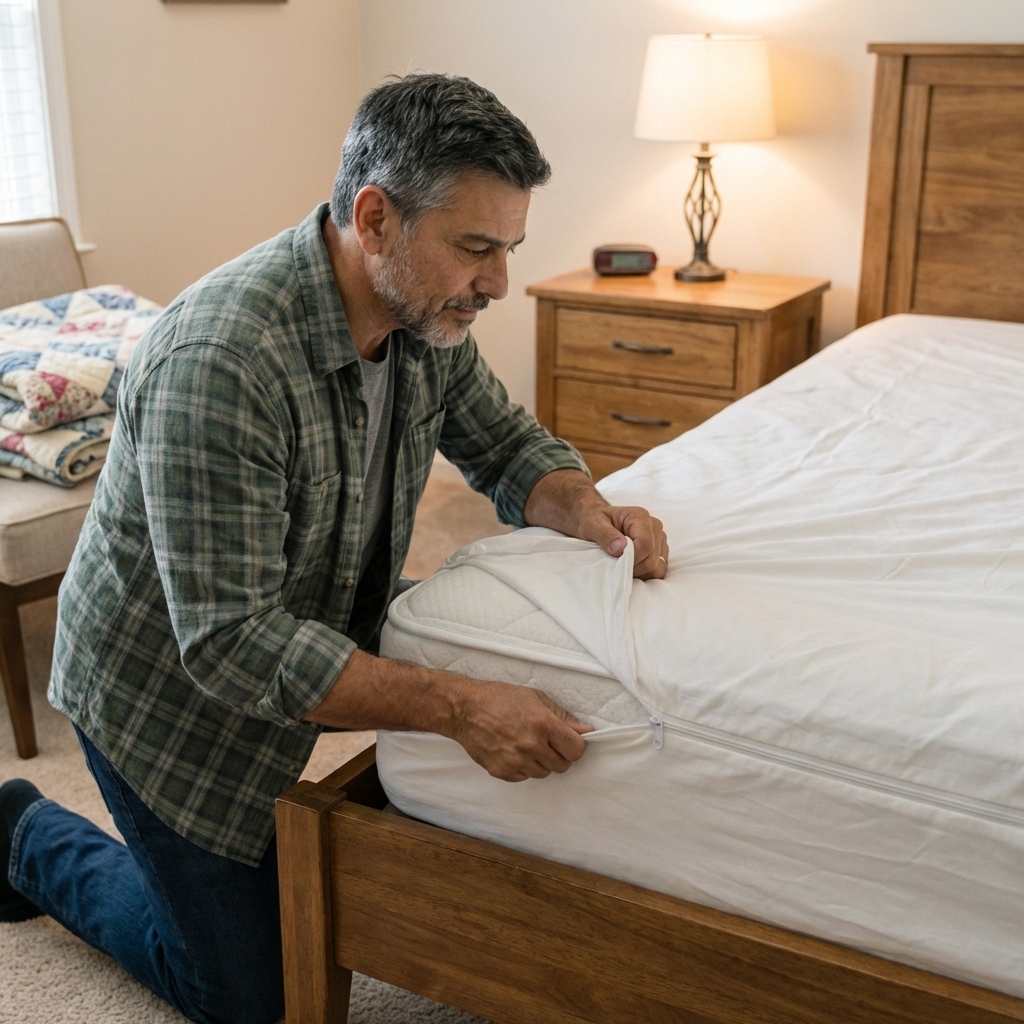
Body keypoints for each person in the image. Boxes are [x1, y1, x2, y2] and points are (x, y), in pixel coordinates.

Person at [0, 73, 668, 1024]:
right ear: (376, 218)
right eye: (476, 248)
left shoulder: (425, 314)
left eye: (508, 250)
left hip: (305, 624)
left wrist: (592, 510)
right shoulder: (221, 360)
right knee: (255, 1000)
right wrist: (458, 707)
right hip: (167, 699)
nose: (497, 283)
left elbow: (506, 447)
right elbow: (232, 644)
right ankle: (25, 834)